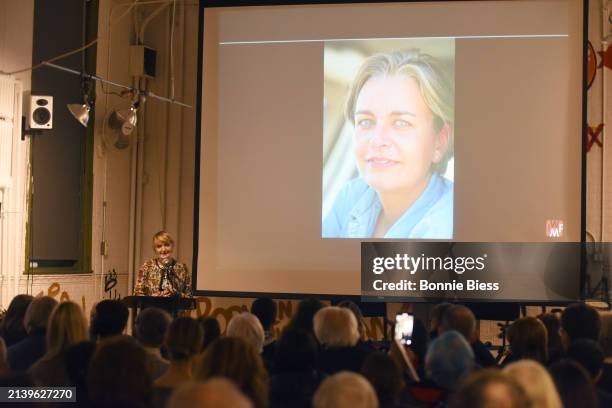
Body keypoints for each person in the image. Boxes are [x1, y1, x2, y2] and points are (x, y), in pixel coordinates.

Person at [323, 49, 454, 239]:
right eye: (365, 121)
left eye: (401, 123)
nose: (377, 141)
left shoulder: (447, 226)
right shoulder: (352, 195)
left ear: (440, 142)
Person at [134, 231, 191, 297]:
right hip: (152, 306)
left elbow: (189, 296)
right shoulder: (147, 266)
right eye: (159, 246)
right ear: (155, 249)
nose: (163, 249)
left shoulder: (182, 268)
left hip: (175, 306)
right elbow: (137, 293)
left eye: (166, 245)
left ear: (172, 246)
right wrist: (153, 297)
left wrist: (178, 295)